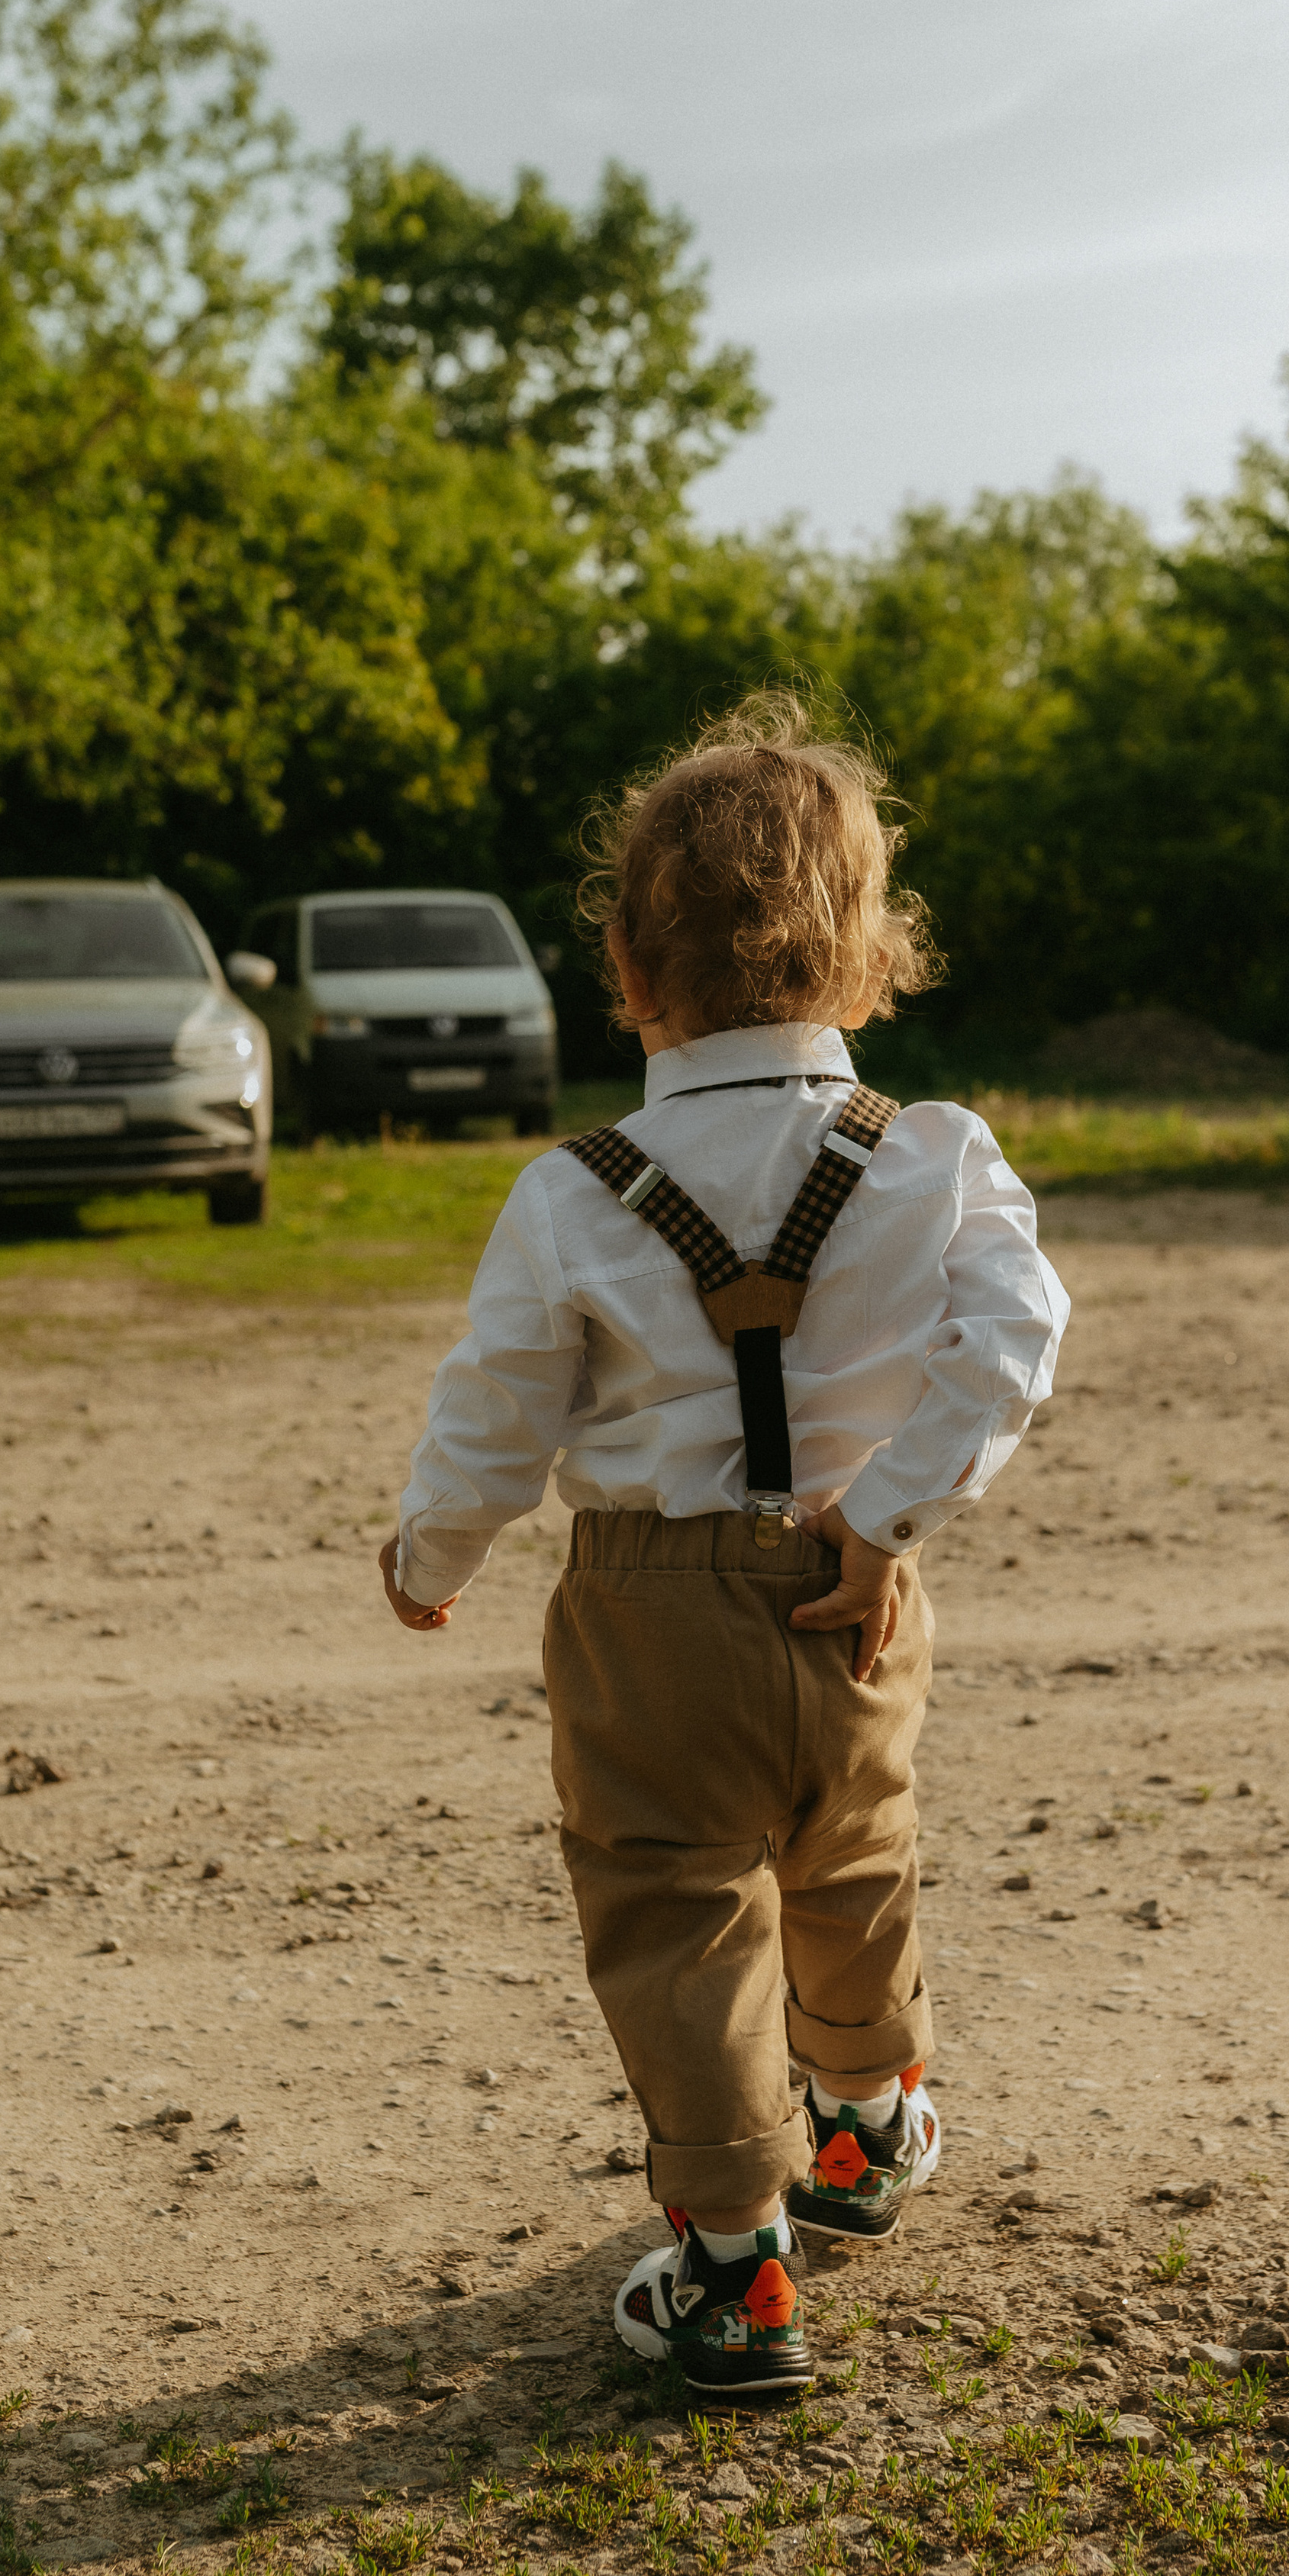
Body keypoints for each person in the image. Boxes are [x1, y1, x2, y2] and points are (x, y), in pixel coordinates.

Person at [380, 691, 1069, 2391]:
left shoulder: (569, 1190)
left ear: (624, 964)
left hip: (645, 1604)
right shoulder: (931, 1153)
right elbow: (1014, 1335)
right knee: (852, 1858)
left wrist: (433, 1552)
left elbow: (496, 1408)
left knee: (670, 1902)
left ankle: (731, 2266)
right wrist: (888, 1505)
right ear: (867, 960)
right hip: (854, 1587)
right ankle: (860, 2127)